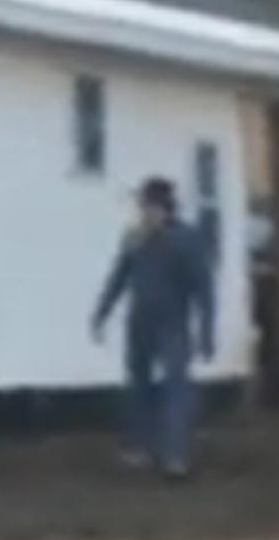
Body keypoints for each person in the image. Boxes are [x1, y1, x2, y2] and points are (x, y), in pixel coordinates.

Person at [92, 177, 216, 481]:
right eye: (144, 207)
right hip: (140, 321)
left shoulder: (186, 240)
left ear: (165, 208)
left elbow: (203, 289)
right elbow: (119, 277)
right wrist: (102, 313)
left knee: (175, 387)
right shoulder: (135, 238)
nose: (145, 212)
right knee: (139, 385)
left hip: (172, 321)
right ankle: (139, 446)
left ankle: (175, 455)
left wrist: (206, 331)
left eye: (150, 206)